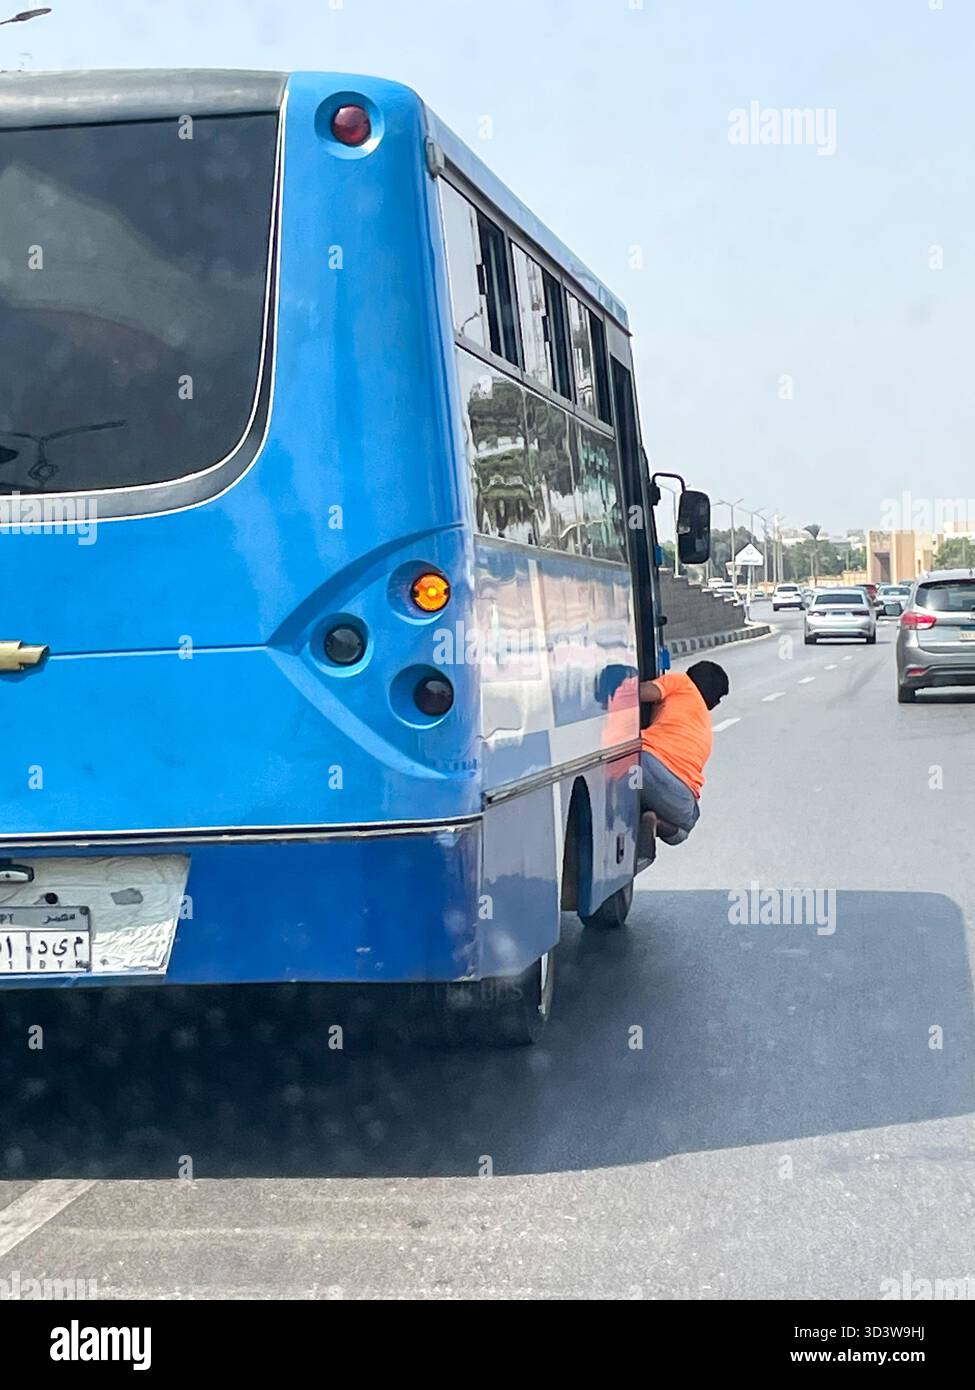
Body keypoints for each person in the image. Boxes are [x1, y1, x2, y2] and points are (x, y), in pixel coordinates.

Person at [637, 660, 729, 845]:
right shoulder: (704, 725)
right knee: (687, 824)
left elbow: (644, 692)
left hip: (641, 765)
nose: (717, 703)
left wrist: (612, 686)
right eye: (719, 697)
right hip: (678, 796)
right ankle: (653, 821)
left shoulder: (681, 682)